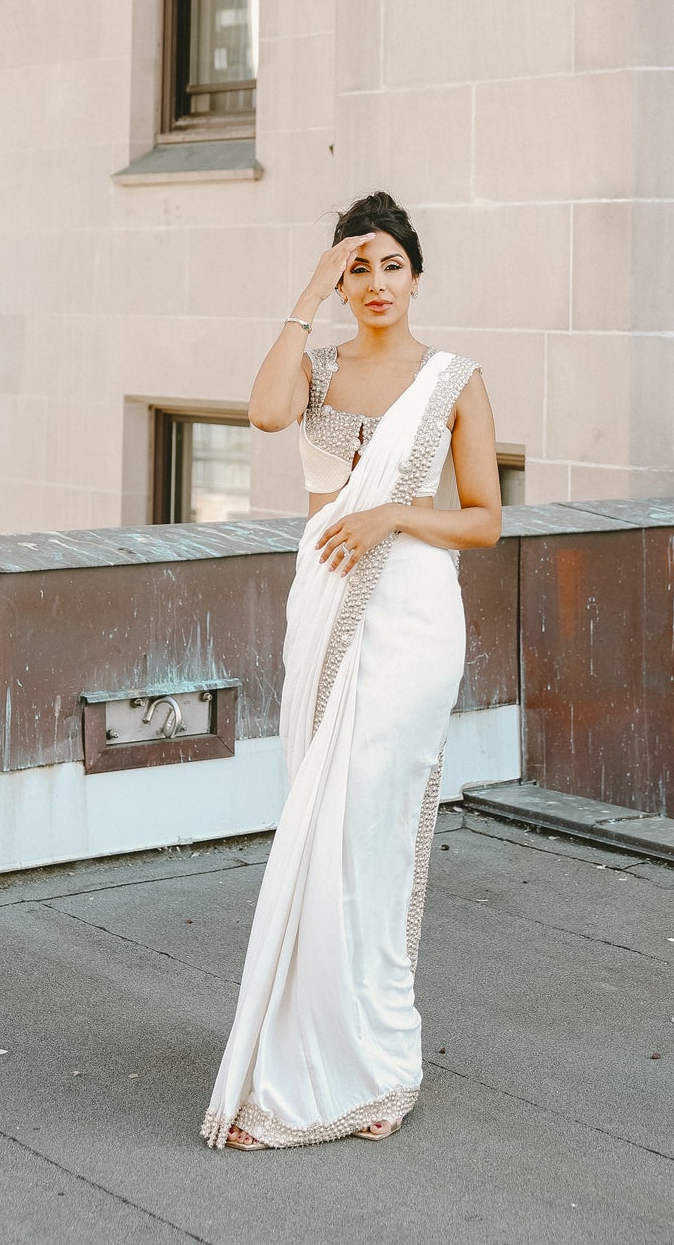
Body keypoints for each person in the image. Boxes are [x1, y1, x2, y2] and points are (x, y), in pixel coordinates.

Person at [203, 190, 502, 1150]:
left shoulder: (453, 379)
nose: (375, 285)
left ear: (417, 275)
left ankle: (376, 1067)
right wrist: (307, 288)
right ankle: (302, 1053)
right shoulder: (319, 369)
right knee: (317, 819)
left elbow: (484, 522)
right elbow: (260, 413)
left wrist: (391, 514)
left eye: (391, 266)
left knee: (373, 818)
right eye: (357, 269)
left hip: (413, 610)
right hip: (324, 605)